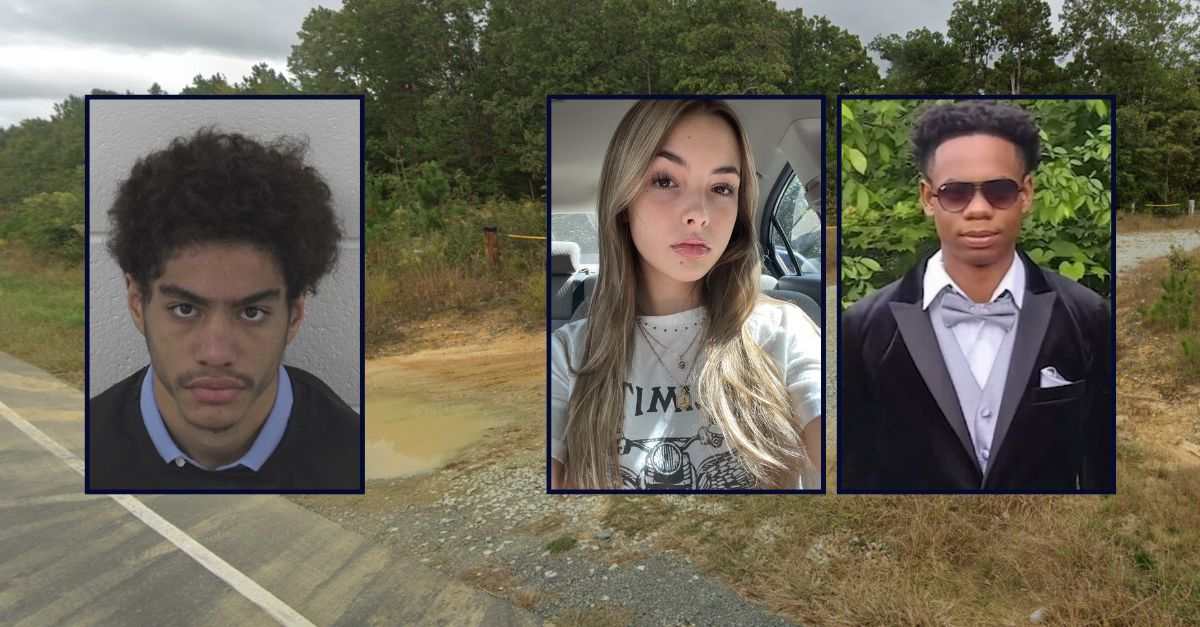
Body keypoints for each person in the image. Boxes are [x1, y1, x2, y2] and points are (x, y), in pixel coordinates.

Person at [840, 100, 1113, 492]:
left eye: (1000, 190)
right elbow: (858, 471)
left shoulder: (1086, 315)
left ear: (1026, 193)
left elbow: (1098, 465)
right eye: (956, 193)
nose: (979, 210)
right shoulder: (865, 327)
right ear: (928, 198)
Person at [550, 99, 823, 490]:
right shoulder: (566, 356)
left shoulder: (784, 331)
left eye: (722, 188)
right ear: (623, 200)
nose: (700, 213)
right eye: (665, 181)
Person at [88, 129, 361, 491]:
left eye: (252, 313)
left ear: (294, 315)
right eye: (184, 309)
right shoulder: (78, 453)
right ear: (137, 303)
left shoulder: (357, 461)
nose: (216, 354)